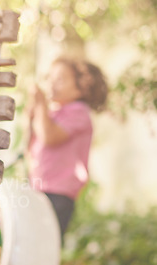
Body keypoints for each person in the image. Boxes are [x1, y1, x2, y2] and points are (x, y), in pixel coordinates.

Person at [27, 56, 108, 238]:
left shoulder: (79, 112)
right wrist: (33, 115)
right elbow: (31, 149)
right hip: (39, 187)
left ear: (81, 87)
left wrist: (40, 105)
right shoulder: (54, 113)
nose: (52, 84)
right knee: (31, 241)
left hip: (58, 194)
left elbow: (49, 137)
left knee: (44, 244)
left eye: (61, 79)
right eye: (51, 78)